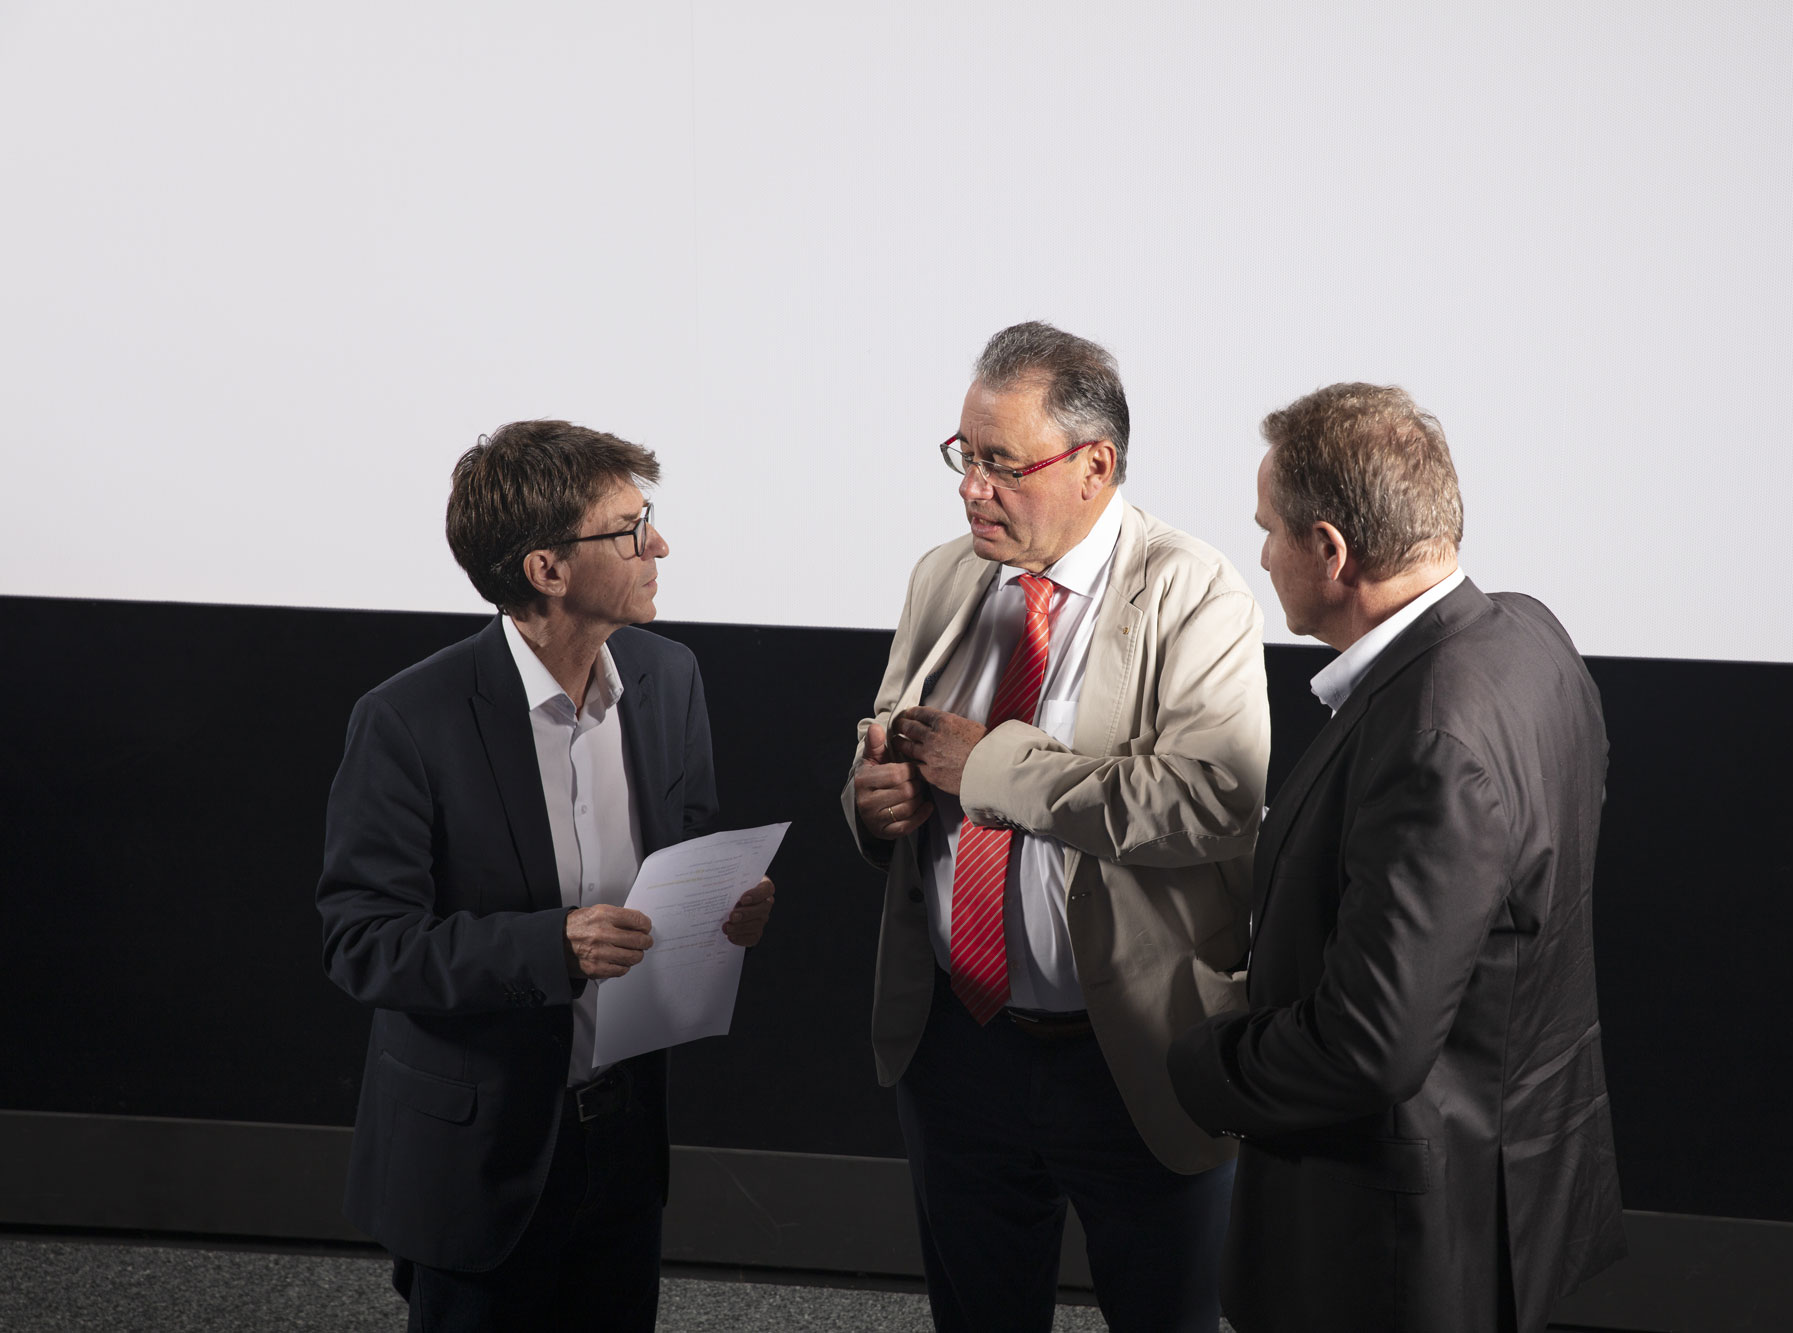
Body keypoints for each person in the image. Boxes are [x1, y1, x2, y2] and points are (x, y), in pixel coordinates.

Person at [1167, 383, 1625, 1332]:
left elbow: (1368, 1046)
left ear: (1331, 550)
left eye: (1268, 530)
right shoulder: (1531, 636)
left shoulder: (1427, 735)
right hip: (1497, 1181)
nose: (1258, 554)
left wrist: (1202, 1063)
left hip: (1387, 1245)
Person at [841, 321, 1270, 1332]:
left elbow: (1210, 796)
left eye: (999, 463)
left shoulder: (1190, 589)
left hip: (1129, 1052)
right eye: (963, 455)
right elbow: (892, 736)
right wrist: (871, 799)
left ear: (1093, 465)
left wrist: (986, 766)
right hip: (959, 1046)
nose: (969, 488)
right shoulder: (944, 575)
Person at [317, 420, 776, 1332]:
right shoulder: (409, 720)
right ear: (546, 570)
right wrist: (552, 945)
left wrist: (724, 907)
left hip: (624, 1133)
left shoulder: (668, 676)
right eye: (630, 528)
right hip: (476, 1152)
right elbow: (363, 943)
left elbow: (683, 850)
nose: (661, 546)